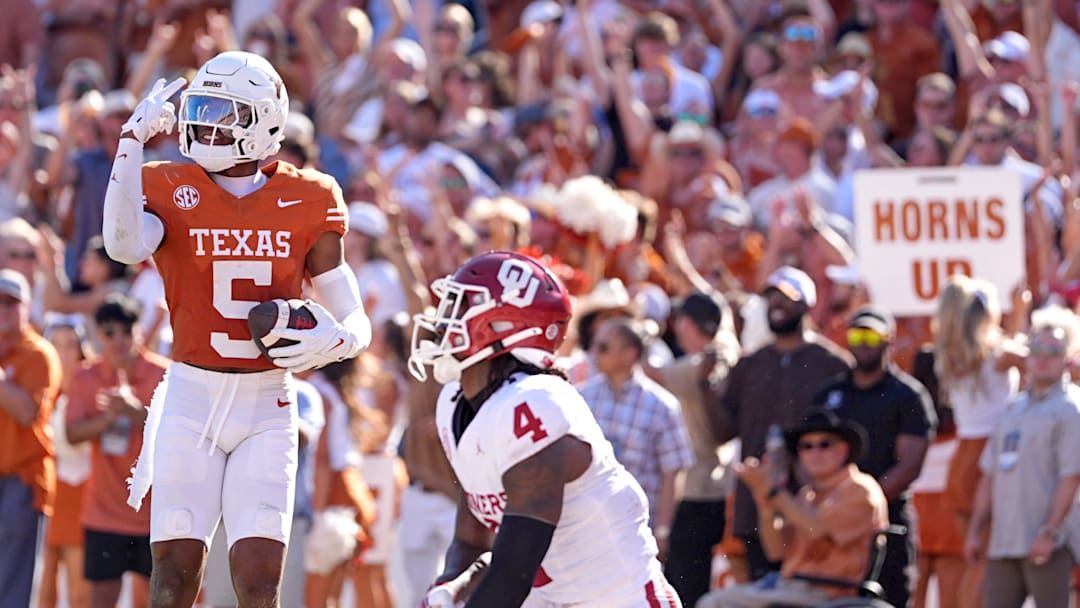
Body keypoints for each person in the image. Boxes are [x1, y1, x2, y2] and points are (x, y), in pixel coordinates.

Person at [101, 51, 372, 606]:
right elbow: (123, 245)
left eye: (223, 114)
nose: (203, 124)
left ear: (264, 122)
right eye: (199, 109)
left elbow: (354, 315)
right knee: (173, 578)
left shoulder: (311, 197)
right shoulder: (167, 183)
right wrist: (130, 145)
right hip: (190, 396)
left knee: (258, 580)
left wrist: (339, 340)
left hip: (266, 402)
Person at [408, 250, 681, 606]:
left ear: (501, 325)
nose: (443, 321)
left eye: (460, 308)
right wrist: (447, 585)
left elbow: (513, 571)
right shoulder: (456, 404)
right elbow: (472, 537)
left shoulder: (534, 404)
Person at [709, 266, 852, 580]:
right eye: (771, 299)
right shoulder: (749, 365)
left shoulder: (833, 364)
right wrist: (705, 386)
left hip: (812, 508)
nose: (776, 306)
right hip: (756, 507)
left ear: (806, 305)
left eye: (786, 299)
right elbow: (724, 432)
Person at [696, 410, 889, 607]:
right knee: (716, 600)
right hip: (792, 588)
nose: (815, 452)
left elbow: (817, 531)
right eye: (806, 446)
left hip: (830, 594)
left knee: (716, 603)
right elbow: (776, 550)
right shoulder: (807, 494)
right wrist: (763, 499)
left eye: (824, 444)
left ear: (843, 450)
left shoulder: (860, 489)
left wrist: (772, 491)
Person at [813, 305, 937, 607]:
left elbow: (909, 465)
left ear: (890, 339)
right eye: (857, 333)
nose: (863, 341)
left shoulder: (907, 395)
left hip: (888, 524)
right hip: (831, 526)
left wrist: (861, 506)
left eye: (871, 334)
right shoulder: (831, 392)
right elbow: (809, 452)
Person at [966, 306, 1080, 607]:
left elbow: (1072, 477)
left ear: (1067, 358)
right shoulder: (1012, 409)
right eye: (1036, 348)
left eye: (1053, 350)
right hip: (1004, 542)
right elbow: (990, 474)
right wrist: (976, 531)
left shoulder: (1071, 409)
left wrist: (1050, 532)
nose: (1043, 357)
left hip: (1048, 542)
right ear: (1026, 354)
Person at [65, 294, 168, 608]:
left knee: (159, 600)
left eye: (127, 330)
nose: (119, 339)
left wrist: (135, 413)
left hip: (155, 515)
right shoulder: (85, 375)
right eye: (110, 332)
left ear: (139, 329)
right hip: (103, 513)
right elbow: (71, 434)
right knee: (101, 601)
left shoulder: (164, 374)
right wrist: (107, 419)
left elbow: (177, 438)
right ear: (98, 334)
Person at [578, 317, 694, 551]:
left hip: (637, 529)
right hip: (586, 526)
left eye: (602, 347)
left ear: (629, 354)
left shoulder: (661, 406)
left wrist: (662, 530)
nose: (593, 353)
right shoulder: (582, 397)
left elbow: (672, 473)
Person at [0, 268, 62, 608]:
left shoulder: (39, 353)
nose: (4, 310)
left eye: (12, 303)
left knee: (13, 584)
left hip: (21, 480)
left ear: (27, 307)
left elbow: (26, 412)